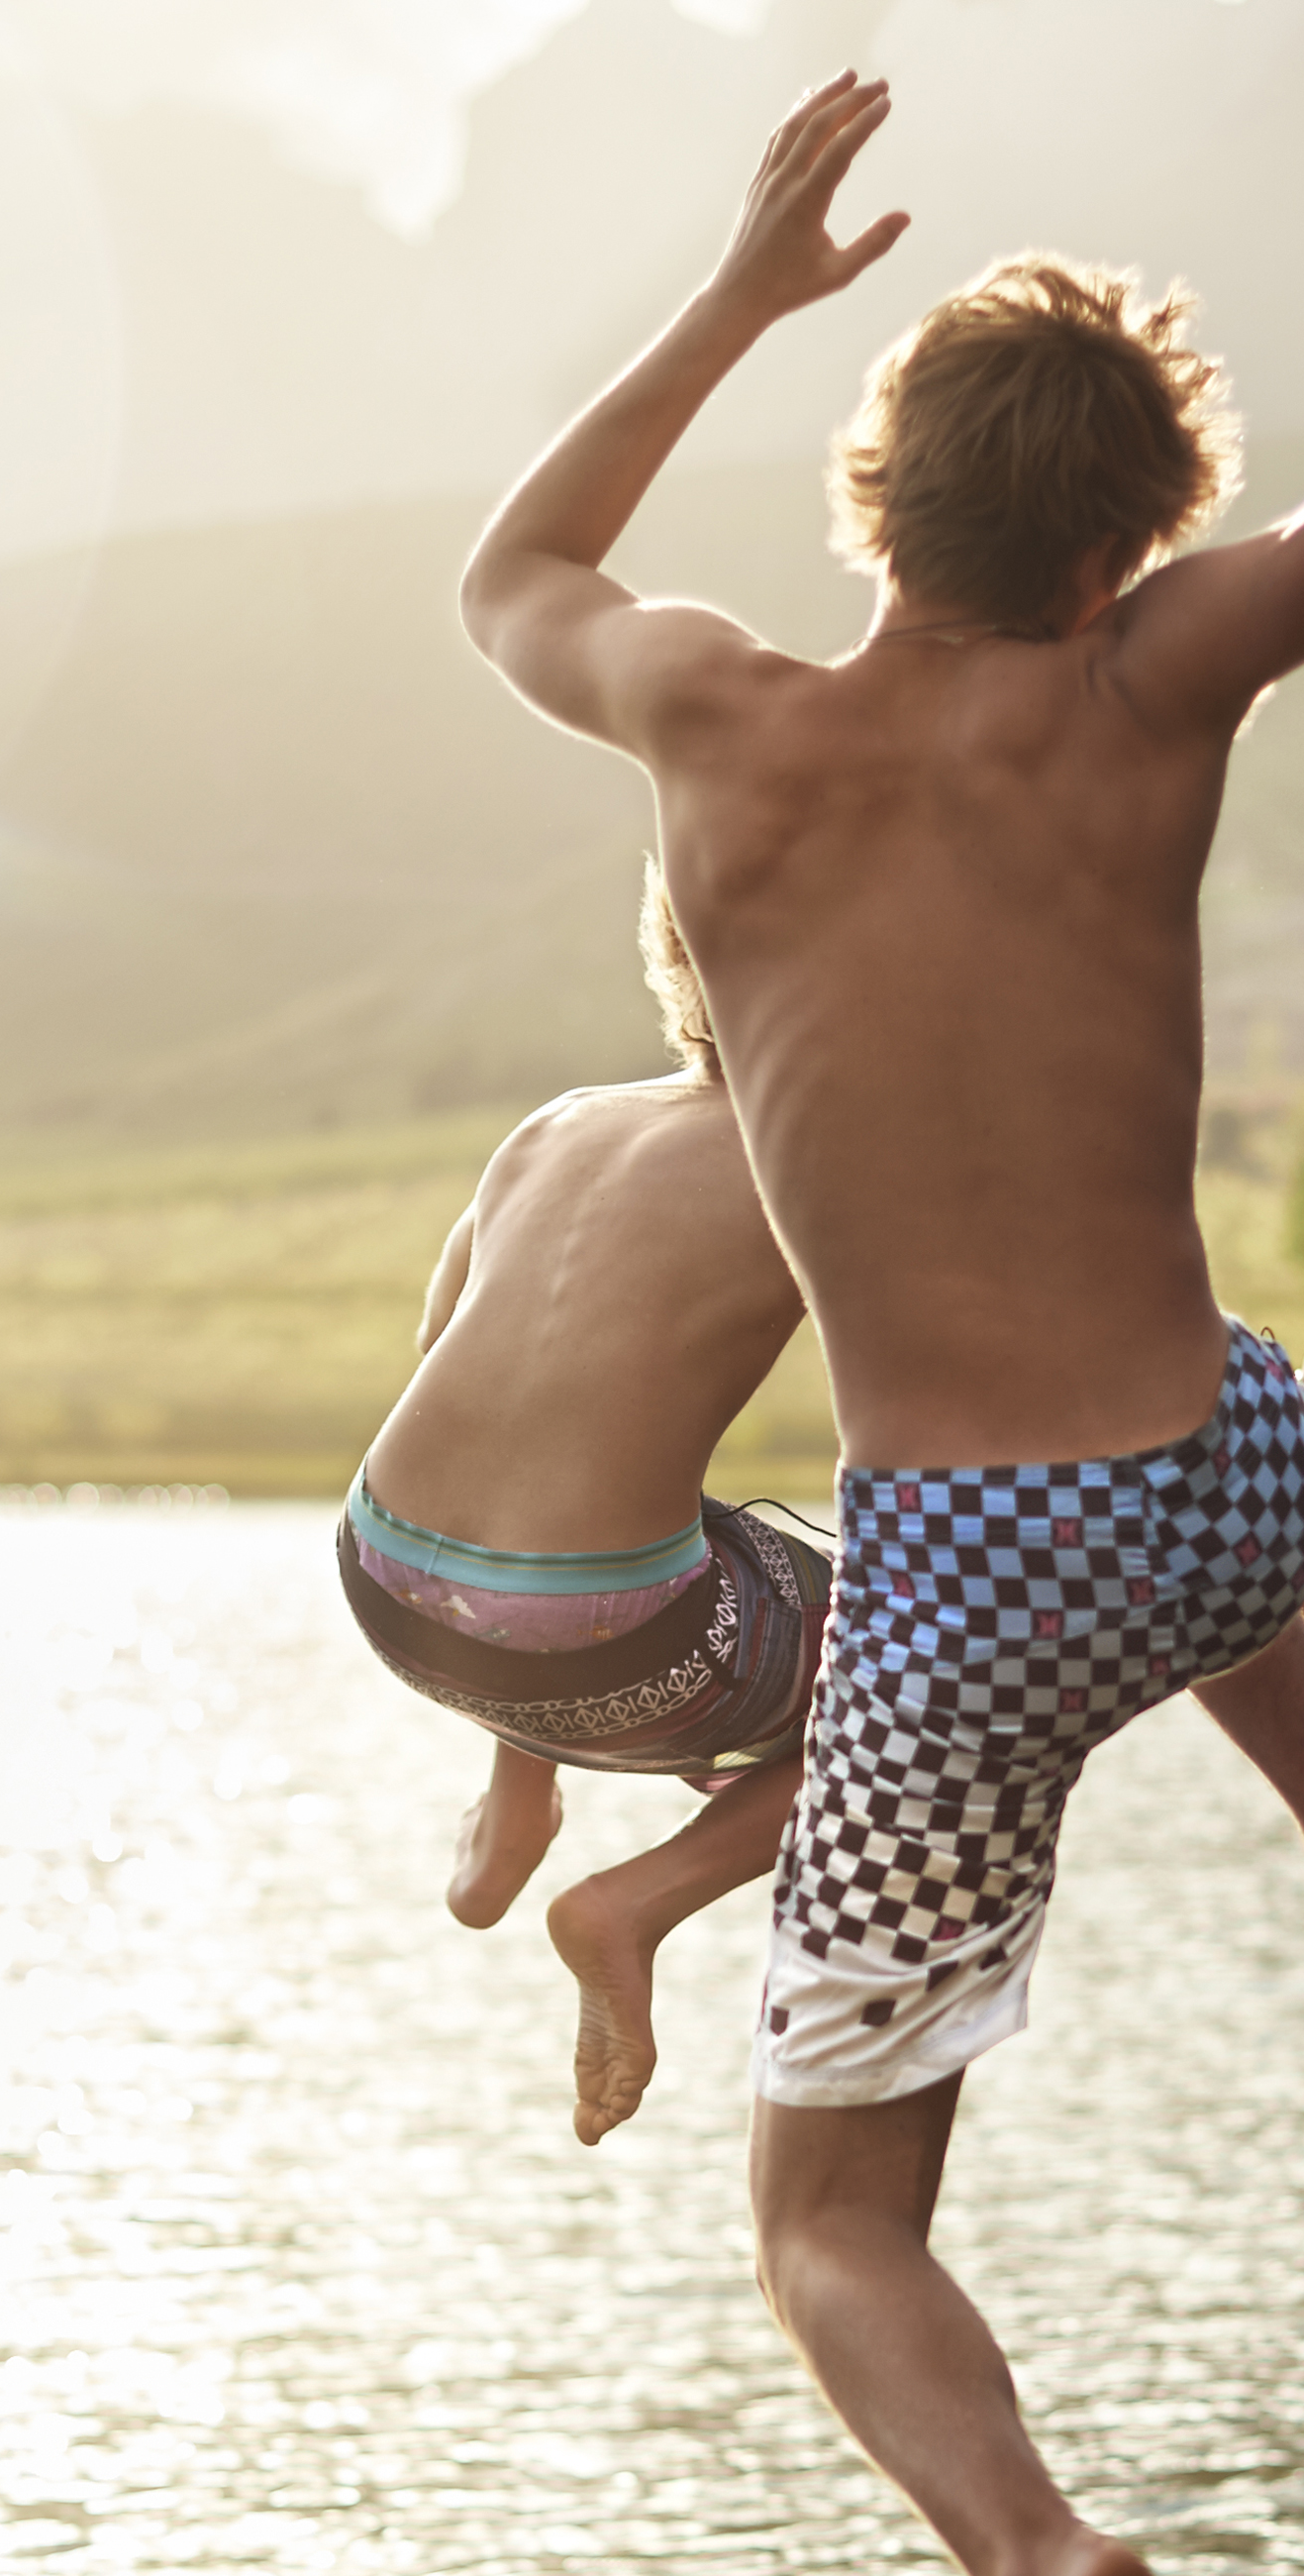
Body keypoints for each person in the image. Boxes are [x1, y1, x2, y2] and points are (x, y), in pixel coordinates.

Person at [455, 7, 1304, 2576]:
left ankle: (1040, 2571)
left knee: (825, 2215)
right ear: (1133, 536)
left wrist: (737, 293)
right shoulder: (1150, 689)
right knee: (1205, 1473)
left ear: (875, 493)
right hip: (1234, 1480)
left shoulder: (718, 723)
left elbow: (510, 574)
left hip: (973, 1569)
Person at [341, 869, 825, 2147]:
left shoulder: (556, 1124)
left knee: (584, 1498)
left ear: (676, 957)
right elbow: (935, 1431)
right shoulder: (819, 1158)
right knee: (941, 1670)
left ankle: (517, 1800)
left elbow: (448, 1352)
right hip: (600, 1638)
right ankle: (637, 1901)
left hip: (384, 1575)